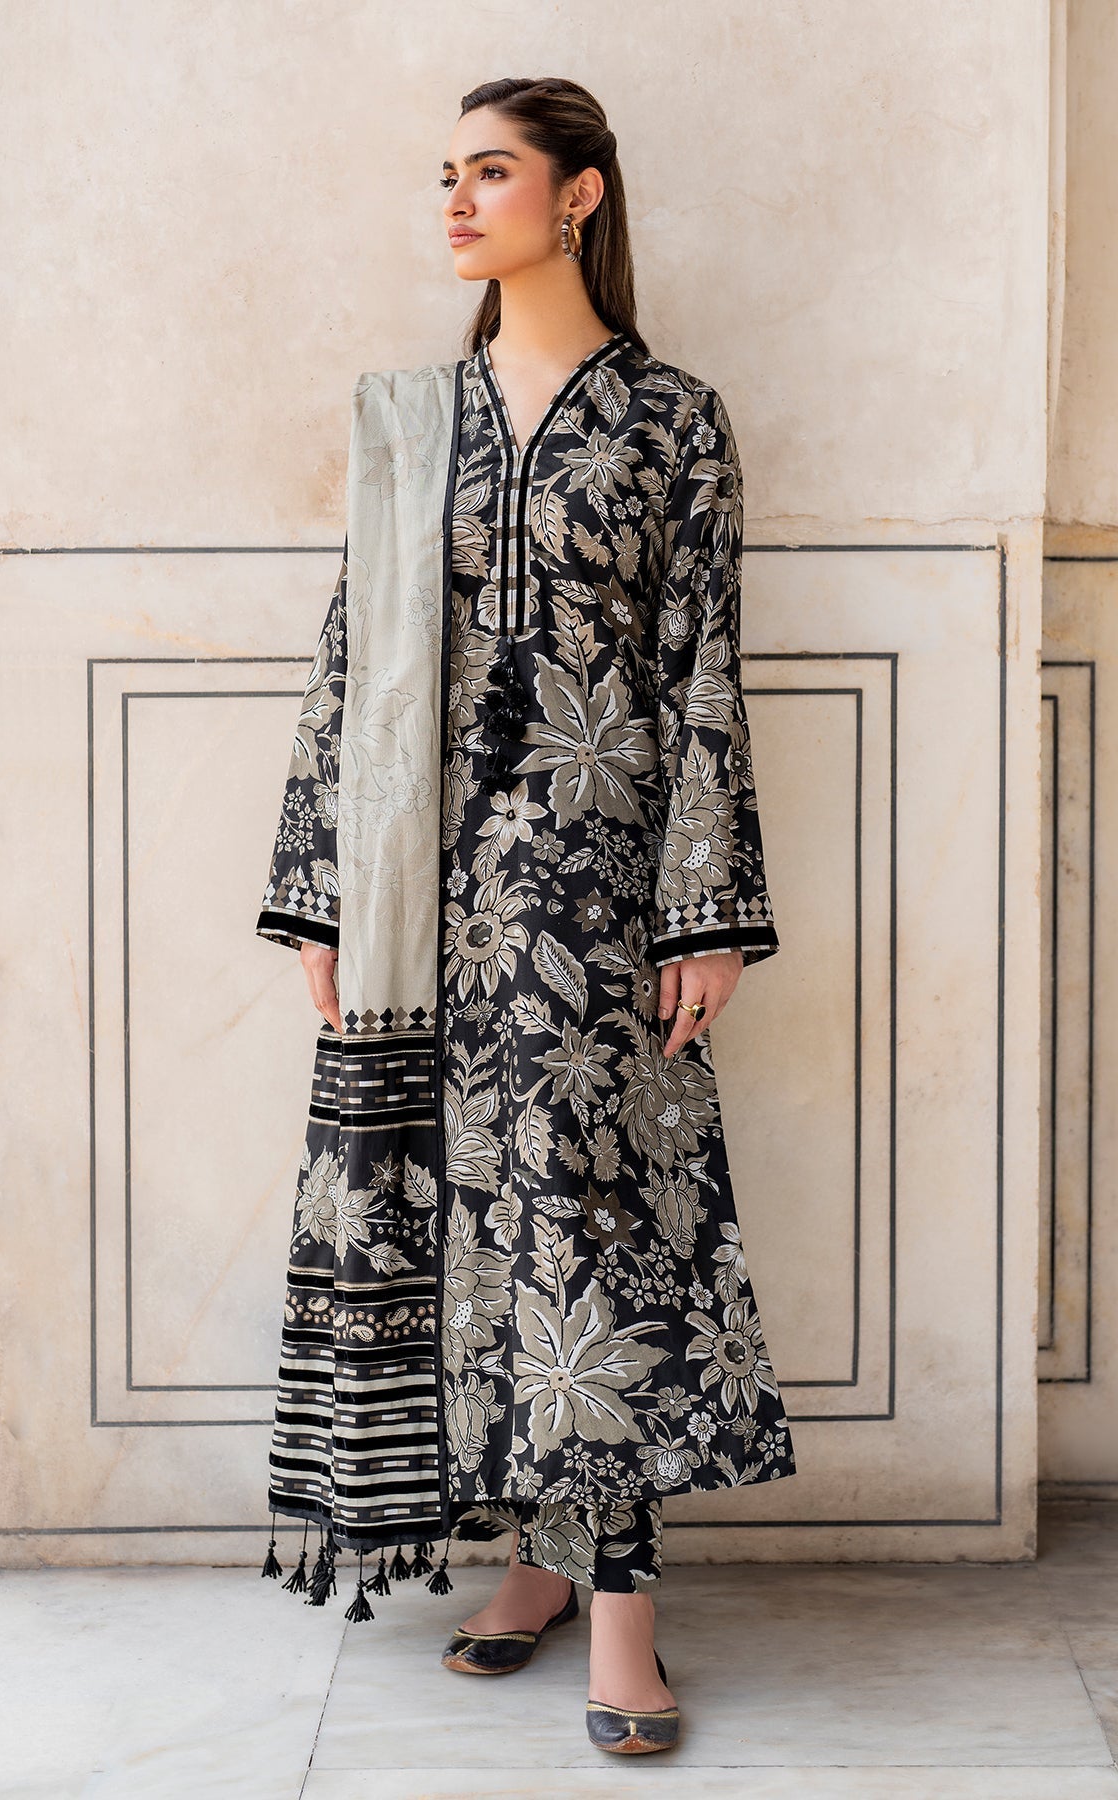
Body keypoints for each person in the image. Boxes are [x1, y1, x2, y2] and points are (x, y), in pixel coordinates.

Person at [255, 73, 798, 1757]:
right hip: (424, 889)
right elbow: (353, 653)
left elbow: (703, 669)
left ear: (577, 195)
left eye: (489, 171)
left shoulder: (673, 418)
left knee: (590, 1228)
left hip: (596, 887)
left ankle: (622, 1618)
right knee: (468, 1230)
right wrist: (322, 893)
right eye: (447, 172)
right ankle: (538, 1567)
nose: (455, 199)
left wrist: (704, 910)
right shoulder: (415, 418)